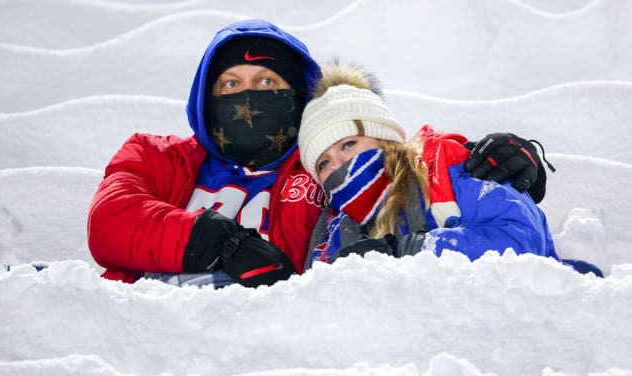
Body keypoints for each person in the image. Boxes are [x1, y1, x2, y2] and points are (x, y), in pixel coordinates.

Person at [87, 19, 555, 289]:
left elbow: (394, 155)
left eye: (267, 83)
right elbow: (109, 221)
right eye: (230, 85)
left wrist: (489, 157)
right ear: (204, 98)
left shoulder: (316, 171)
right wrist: (218, 242)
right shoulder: (156, 156)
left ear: (296, 100)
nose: (247, 98)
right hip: (143, 326)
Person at [297, 62, 603, 277]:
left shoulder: (450, 170)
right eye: (323, 163)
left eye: (348, 145)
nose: (339, 165)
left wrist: (412, 250)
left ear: (385, 140)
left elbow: (522, 242)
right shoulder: (336, 230)